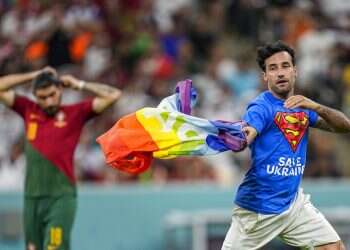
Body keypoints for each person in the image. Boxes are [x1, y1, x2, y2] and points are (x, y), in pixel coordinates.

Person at [221, 41, 350, 250]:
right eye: (273, 68)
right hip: (258, 210)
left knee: (334, 248)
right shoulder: (261, 106)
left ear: (295, 71)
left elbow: (345, 126)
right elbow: (250, 129)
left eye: (285, 66)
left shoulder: (304, 107)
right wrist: (244, 137)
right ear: (265, 76)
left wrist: (317, 107)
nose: (280, 73)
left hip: (293, 204)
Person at [0, 67, 121, 250]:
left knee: (54, 247)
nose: (48, 101)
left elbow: (114, 95)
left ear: (60, 90)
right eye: (42, 97)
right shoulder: (28, 109)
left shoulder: (75, 113)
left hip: (61, 197)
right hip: (32, 198)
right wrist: (35, 74)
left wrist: (80, 84)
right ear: (34, 95)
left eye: (52, 94)